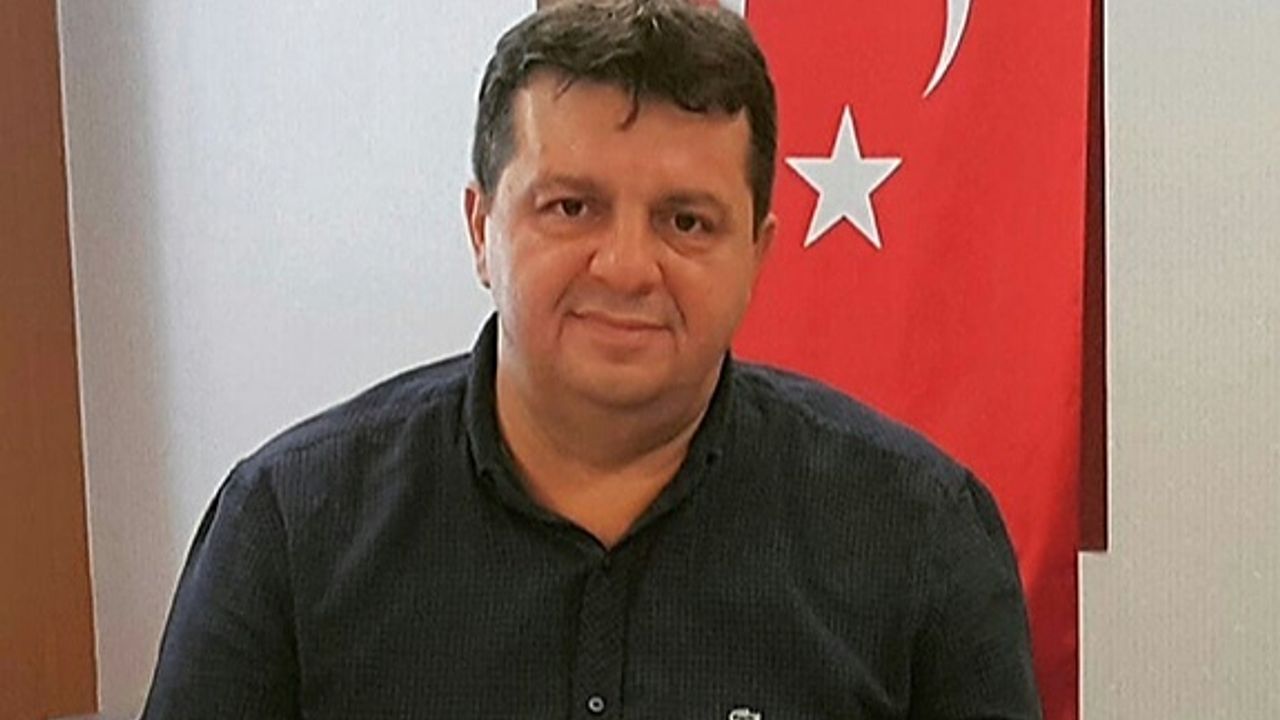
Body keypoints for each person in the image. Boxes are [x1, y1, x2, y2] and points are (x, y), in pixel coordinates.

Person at [142, 1, 1042, 717]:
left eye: (686, 221)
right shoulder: (289, 528)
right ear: (482, 230)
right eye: (571, 208)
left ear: (757, 254)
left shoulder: (920, 535)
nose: (625, 267)